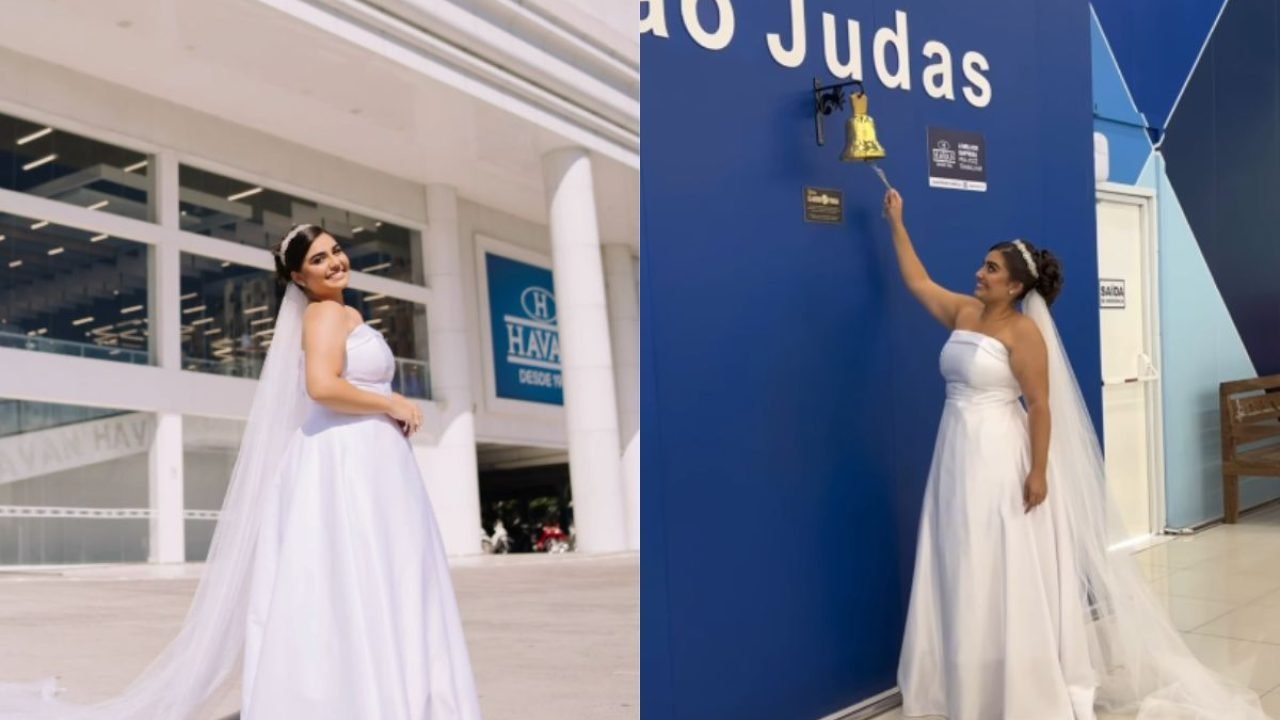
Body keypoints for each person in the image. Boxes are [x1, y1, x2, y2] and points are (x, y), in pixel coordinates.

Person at [0, 224, 482, 719]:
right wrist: (390, 403)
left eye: (336, 251)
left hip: (374, 461)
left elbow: (347, 382)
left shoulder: (348, 313)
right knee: (355, 572)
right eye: (318, 259)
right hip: (345, 461)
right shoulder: (321, 315)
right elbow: (321, 386)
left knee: (386, 572)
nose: (335, 262)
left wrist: (385, 407)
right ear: (299, 277)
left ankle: (394, 690)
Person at [883, 189, 1271, 720]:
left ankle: (1012, 678)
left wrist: (1038, 471)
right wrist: (897, 222)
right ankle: (961, 674)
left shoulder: (1023, 333)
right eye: (983, 264)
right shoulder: (964, 313)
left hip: (998, 454)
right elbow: (918, 282)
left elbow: (1041, 405)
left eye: (991, 268)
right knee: (957, 552)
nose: (979, 272)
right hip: (955, 451)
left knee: (993, 555)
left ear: (1015, 286)